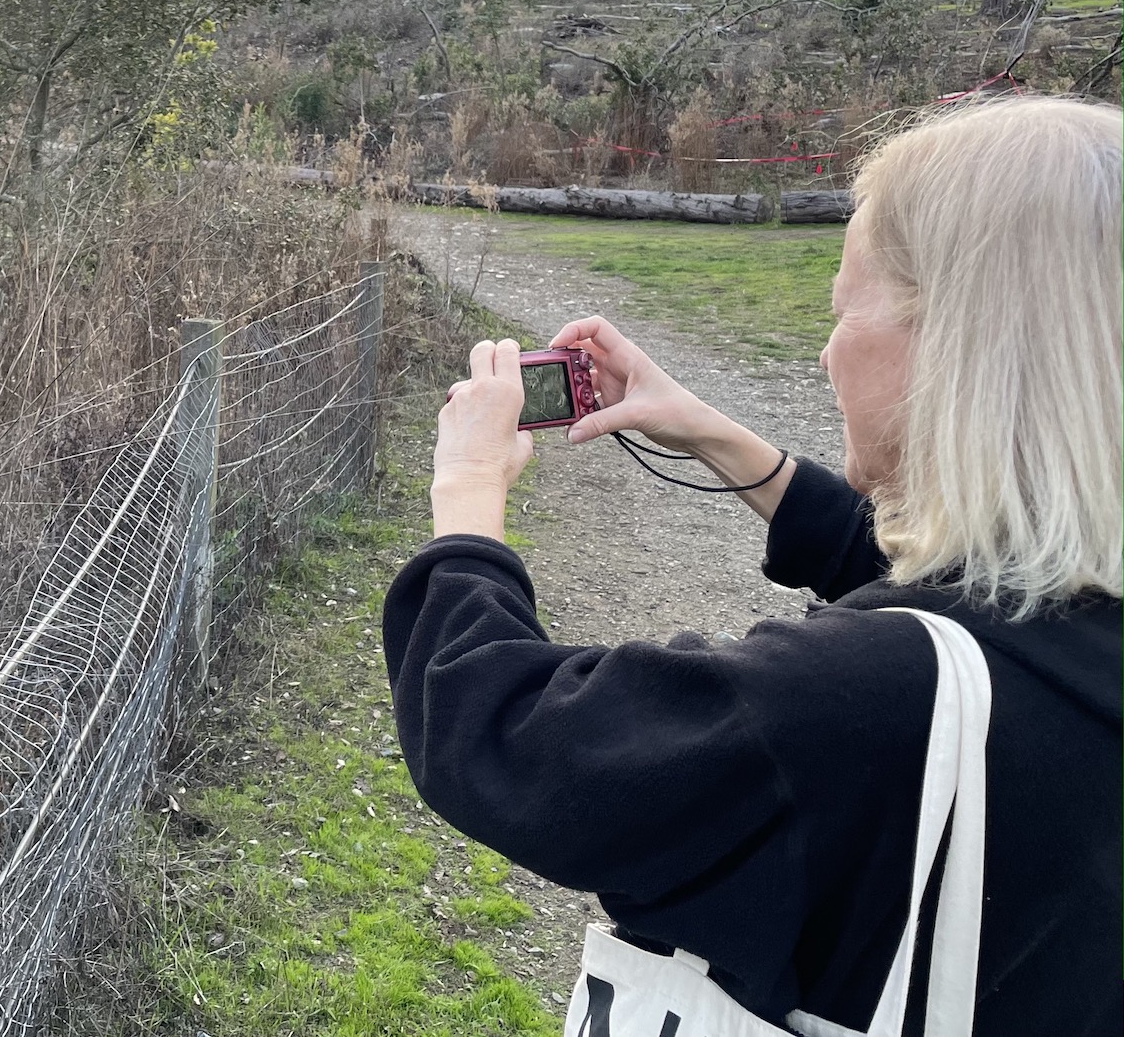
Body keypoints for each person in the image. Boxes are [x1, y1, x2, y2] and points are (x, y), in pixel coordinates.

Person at [382, 97, 1121, 1034]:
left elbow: (514, 741)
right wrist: (705, 431)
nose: (824, 351)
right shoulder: (1074, 627)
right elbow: (955, 592)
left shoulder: (863, 700)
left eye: (845, 308)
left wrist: (468, 492)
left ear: (961, 344)